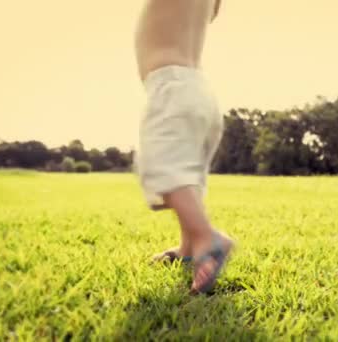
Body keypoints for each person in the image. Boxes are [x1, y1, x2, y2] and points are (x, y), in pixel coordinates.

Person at [134, 0, 233, 294]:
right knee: (188, 176)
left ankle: (206, 238)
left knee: (160, 165)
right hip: (199, 91)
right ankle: (189, 247)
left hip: (171, 86)